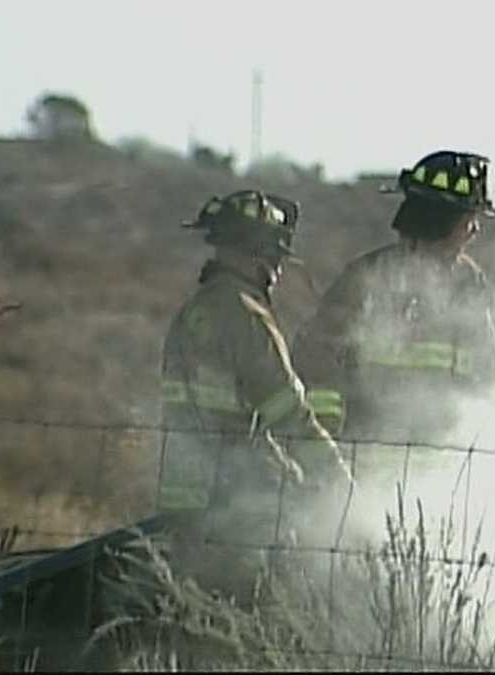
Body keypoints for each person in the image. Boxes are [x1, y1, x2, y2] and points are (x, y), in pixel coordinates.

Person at [158, 189, 350, 604]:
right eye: (276, 256)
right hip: (237, 506)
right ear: (258, 254)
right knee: (249, 612)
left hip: (184, 498)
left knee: (192, 611)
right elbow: (286, 411)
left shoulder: (193, 312)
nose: (278, 269)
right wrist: (335, 474)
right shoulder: (247, 315)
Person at [291, 150, 495, 445]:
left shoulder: (471, 285)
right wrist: (327, 441)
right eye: (468, 219)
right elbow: (316, 364)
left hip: (445, 459)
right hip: (365, 457)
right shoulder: (363, 281)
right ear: (441, 222)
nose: (475, 230)